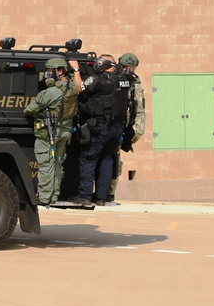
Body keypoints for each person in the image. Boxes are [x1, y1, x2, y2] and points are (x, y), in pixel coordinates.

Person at [69, 54, 131, 206]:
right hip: (116, 127)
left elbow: (79, 89)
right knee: (107, 160)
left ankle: (85, 196)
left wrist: (76, 70)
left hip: (100, 127)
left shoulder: (99, 80)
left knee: (89, 159)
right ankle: (101, 197)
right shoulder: (123, 80)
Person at [24, 57, 78, 206]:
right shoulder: (72, 87)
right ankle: (54, 195)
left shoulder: (52, 92)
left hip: (49, 133)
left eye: (49, 71)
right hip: (65, 132)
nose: (47, 74)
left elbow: (30, 109)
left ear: (59, 71)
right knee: (57, 164)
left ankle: (44, 197)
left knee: (45, 164)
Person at [107, 52, 146, 204]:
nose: (127, 70)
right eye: (124, 66)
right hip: (107, 124)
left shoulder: (135, 85)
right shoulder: (112, 79)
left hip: (122, 127)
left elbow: (140, 109)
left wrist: (139, 130)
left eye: (130, 67)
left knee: (116, 160)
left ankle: (109, 192)